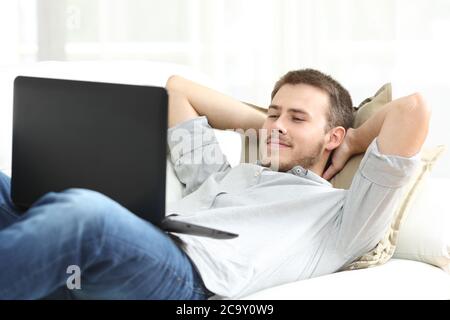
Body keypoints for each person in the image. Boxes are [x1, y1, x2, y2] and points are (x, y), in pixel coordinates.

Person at [0, 69, 430, 299]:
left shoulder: (343, 214)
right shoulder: (224, 174)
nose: (279, 123)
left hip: (187, 279)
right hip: (137, 245)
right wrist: (271, 127)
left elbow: (412, 110)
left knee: (84, 213)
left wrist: (352, 138)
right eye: (274, 112)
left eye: (298, 117)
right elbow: (177, 90)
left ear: (332, 136)